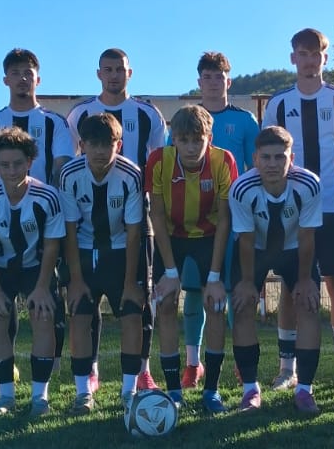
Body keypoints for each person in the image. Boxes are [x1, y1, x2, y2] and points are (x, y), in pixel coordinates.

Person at [263, 28, 334, 390]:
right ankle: (287, 369)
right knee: (292, 286)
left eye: (315, 54)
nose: (309, 61)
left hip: (332, 206)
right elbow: (268, 154)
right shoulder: (278, 103)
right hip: (290, 208)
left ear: (325, 57)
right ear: (293, 58)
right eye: (302, 54)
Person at [68, 49, 166, 389]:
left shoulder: (148, 114)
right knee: (84, 305)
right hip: (87, 226)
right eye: (107, 70)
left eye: (119, 69)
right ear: (99, 73)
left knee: (139, 301)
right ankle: (89, 372)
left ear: (129, 73)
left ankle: (142, 371)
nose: (114, 75)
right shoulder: (80, 113)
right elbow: (69, 160)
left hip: (136, 218)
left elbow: (157, 161)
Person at [175, 51, 262, 390]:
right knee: (195, 292)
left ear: (229, 81)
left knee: (233, 291)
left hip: (234, 219)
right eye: (207, 77)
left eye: (219, 77)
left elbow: (256, 167)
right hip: (195, 224)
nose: (213, 83)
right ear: (199, 82)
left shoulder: (244, 121)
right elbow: (173, 163)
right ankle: (192, 364)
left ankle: (241, 363)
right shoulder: (184, 121)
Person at [146, 105, 237, 412]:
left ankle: (211, 390)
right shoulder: (159, 160)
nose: (190, 147)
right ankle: (174, 391)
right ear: (173, 139)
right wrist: (171, 272)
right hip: (171, 237)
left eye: (197, 139)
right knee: (166, 303)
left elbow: (224, 219)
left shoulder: (223, 160)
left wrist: (215, 277)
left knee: (215, 304)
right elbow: (157, 216)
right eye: (183, 139)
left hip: (209, 237)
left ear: (209, 138)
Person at [228, 125, 323, 415]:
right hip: (255, 249)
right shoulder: (242, 188)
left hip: (294, 249)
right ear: (255, 159)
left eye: (279, 157)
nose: (272, 164)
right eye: (266, 157)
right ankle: (250, 390)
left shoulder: (309, 184)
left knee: (308, 305)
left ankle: (304, 390)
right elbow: (245, 239)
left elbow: (307, 235)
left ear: (291, 158)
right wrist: (247, 282)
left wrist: (305, 280)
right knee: (243, 306)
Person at [0, 127, 65, 417]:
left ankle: (40, 397)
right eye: (5, 165)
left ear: (30, 162)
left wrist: (42, 287)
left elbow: (52, 245)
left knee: (43, 314)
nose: (12, 171)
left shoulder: (47, 197)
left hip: (37, 268)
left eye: (18, 164)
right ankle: (6, 397)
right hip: (0, 270)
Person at [57, 112, 146, 412]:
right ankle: (83, 392)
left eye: (106, 144)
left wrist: (131, 282)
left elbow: (134, 232)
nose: (99, 151)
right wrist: (75, 280)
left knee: (132, 313)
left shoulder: (131, 174)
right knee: (80, 314)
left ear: (118, 145)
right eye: (92, 144)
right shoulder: (70, 174)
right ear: (81, 145)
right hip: (83, 250)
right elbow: (69, 230)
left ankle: (129, 391)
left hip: (121, 249)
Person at [0, 48, 74, 185]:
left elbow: (62, 168)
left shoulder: (55, 122)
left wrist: (49, 197)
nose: (22, 78)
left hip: (44, 198)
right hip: (0, 199)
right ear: (6, 80)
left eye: (28, 73)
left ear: (38, 80)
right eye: (15, 73)